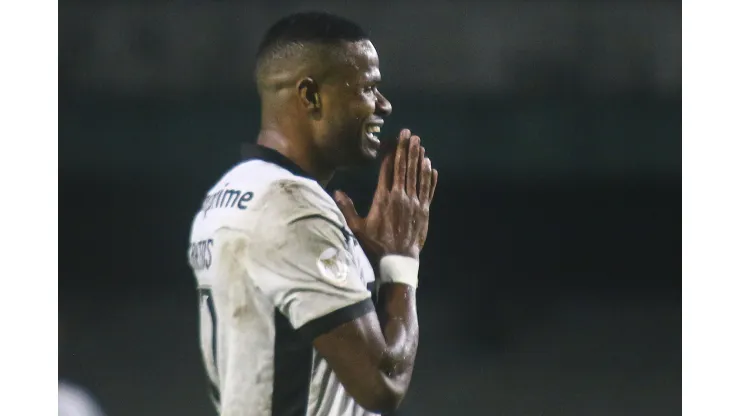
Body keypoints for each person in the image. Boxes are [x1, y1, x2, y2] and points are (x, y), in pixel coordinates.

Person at [187, 11, 438, 416]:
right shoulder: (290, 206)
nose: (384, 105)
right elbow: (381, 384)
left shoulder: (229, 193)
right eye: (368, 88)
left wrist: (366, 262)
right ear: (310, 95)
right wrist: (401, 262)